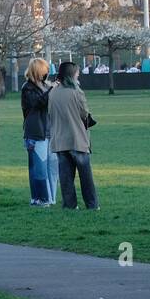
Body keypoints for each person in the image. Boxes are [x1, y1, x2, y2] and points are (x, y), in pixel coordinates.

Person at [48, 62, 98, 210]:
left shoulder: (53, 93)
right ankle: (92, 205)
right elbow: (84, 113)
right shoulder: (77, 92)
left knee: (66, 177)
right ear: (72, 75)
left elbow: (50, 113)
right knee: (86, 176)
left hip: (59, 139)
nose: (78, 75)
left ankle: (70, 205)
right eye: (77, 73)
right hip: (77, 139)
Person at [21, 58, 56, 207]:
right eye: (45, 70)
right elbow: (37, 103)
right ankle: (40, 198)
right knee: (38, 168)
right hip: (36, 133)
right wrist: (51, 90)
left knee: (51, 168)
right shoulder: (27, 88)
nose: (47, 73)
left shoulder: (45, 86)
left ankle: (50, 197)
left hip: (49, 132)